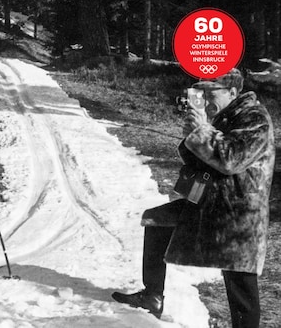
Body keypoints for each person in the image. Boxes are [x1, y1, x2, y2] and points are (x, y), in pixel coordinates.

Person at [112, 68, 275, 328]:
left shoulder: (254, 117)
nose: (204, 98)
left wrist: (201, 130)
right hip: (208, 202)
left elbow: (231, 159)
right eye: (200, 92)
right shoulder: (222, 116)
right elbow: (197, 159)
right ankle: (152, 296)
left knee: (240, 279)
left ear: (233, 92)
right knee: (157, 220)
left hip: (240, 212)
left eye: (211, 93)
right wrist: (192, 134)